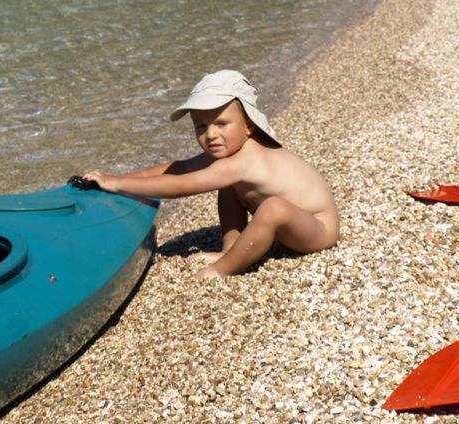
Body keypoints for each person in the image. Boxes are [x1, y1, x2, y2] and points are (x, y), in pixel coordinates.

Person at [84, 70, 339, 279]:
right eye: (201, 126)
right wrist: (120, 177)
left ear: (249, 126)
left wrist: (118, 185)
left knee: (273, 207)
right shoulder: (230, 156)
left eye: (221, 124)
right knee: (231, 187)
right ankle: (230, 250)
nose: (210, 135)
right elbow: (180, 168)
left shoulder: (243, 161)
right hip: (291, 227)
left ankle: (222, 269)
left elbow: (180, 186)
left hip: (317, 229)